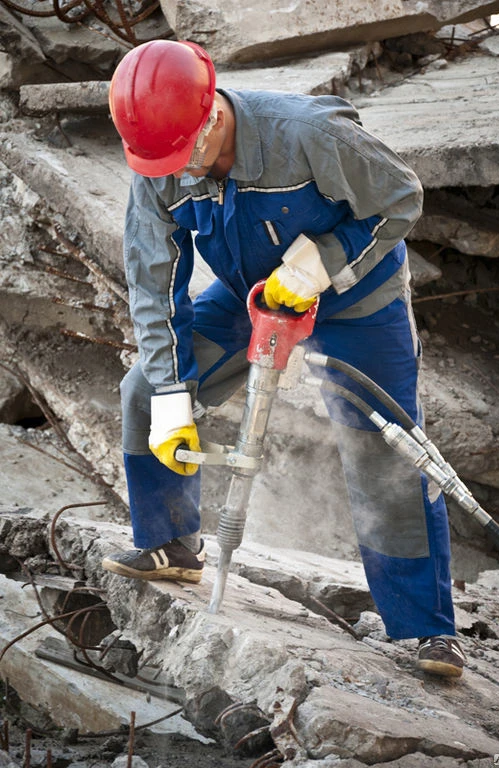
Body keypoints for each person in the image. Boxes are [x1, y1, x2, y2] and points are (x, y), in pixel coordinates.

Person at [102, 39, 466, 678]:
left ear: (212, 115)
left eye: (179, 158)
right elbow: (154, 283)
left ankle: (424, 633)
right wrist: (169, 397)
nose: (171, 176)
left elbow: (401, 200)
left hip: (358, 298)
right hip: (252, 293)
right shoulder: (161, 161)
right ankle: (169, 545)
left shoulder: (310, 134)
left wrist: (322, 263)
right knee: (145, 391)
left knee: (384, 452)